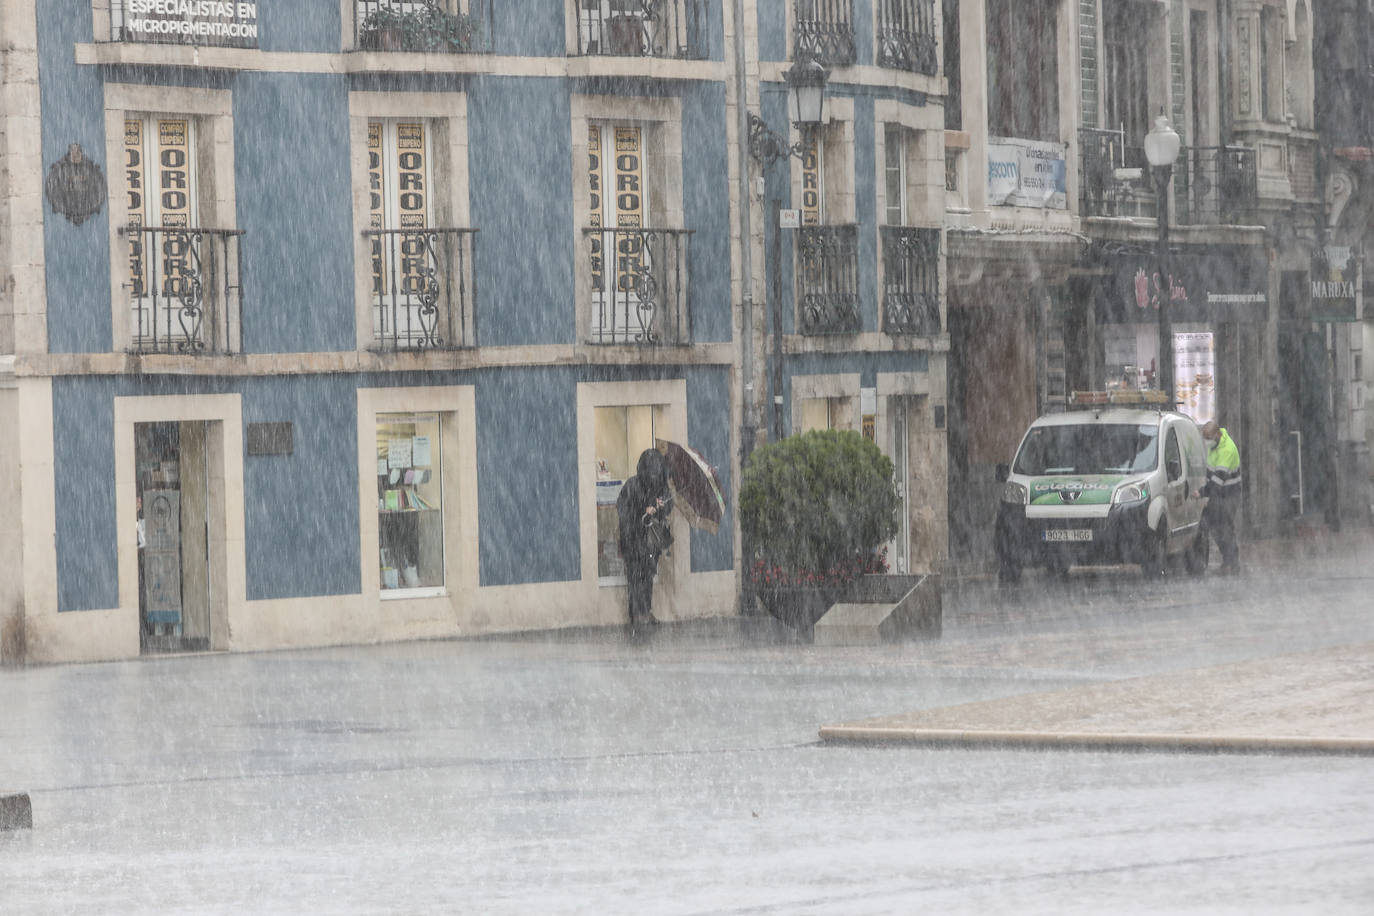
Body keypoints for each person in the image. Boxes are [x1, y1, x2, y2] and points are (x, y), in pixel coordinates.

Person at [616, 448, 673, 628]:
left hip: (650, 542)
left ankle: (645, 611)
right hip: (632, 540)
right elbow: (623, 510)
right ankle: (636, 614)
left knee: (647, 576)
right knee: (635, 577)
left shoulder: (661, 487)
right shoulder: (632, 486)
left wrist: (661, 506)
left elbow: (668, 504)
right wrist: (642, 512)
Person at [1198, 419, 1242, 574]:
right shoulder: (1215, 445)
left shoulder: (1227, 450)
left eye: (1208, 438)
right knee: (1215, 527)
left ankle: (1233, 563)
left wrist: (1201, 493)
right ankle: (1228, 561)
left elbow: (1217, 480)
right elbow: (1211, 473)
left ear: (1216, 435)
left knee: (1225, 528)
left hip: (1229, 494)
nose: (1207, 442)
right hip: (1218, 494)